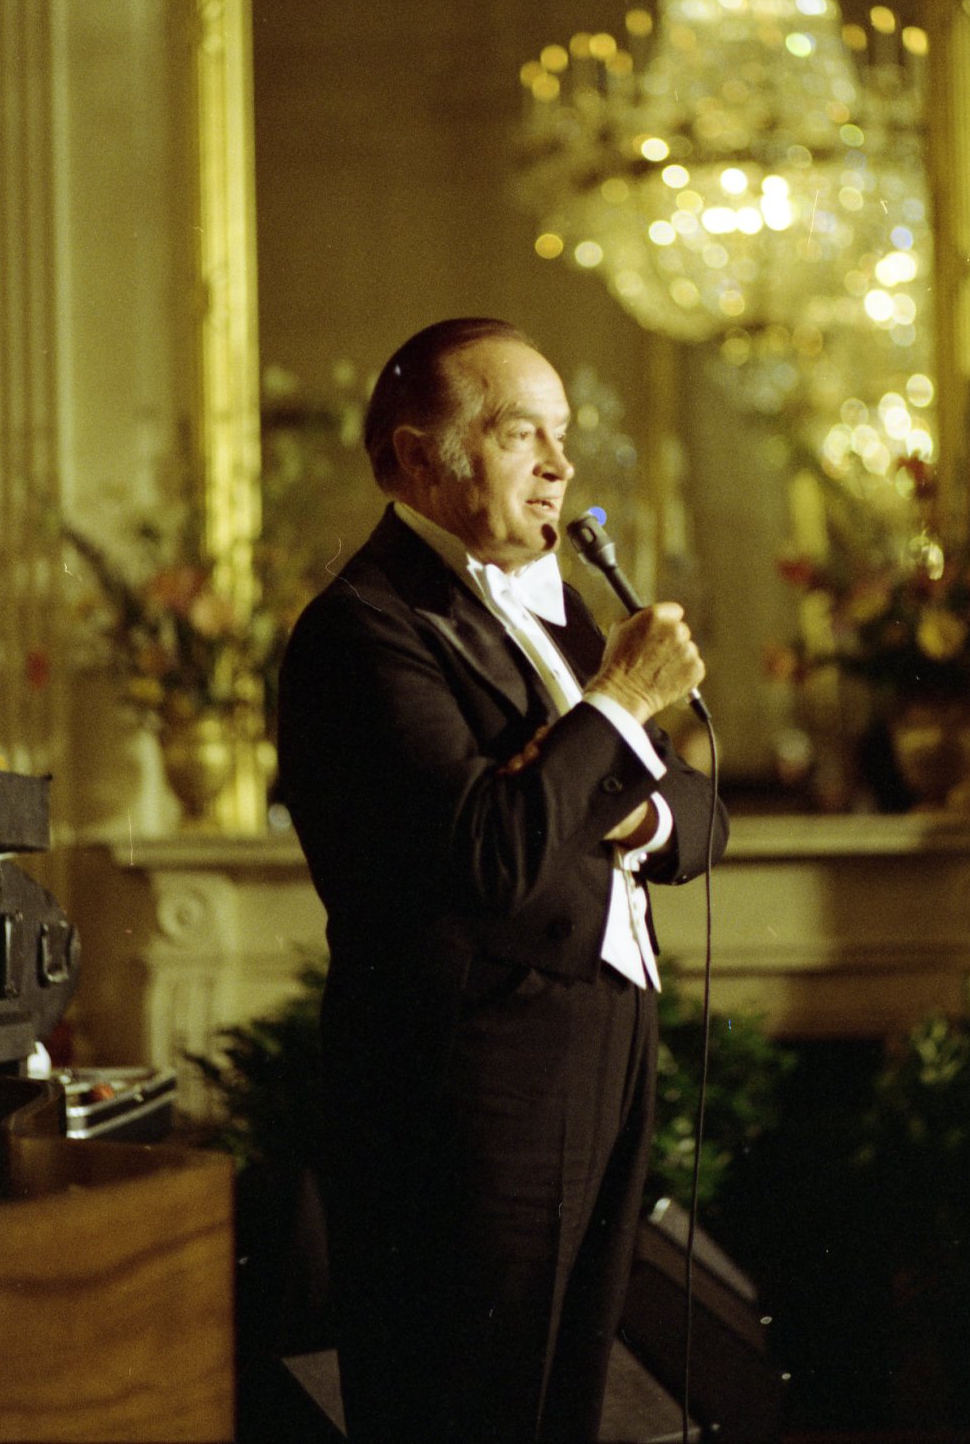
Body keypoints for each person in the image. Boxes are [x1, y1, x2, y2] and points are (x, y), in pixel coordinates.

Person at [277, 316, 728, 1444]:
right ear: (420, 460)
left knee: (561, 1396)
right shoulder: (362, 630)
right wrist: (619, 707)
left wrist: (635, 803)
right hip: (476, 1076)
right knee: (473, 1402)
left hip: (602, 1039)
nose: (563, 467)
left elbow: (704, 820)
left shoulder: (563, 614)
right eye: (524, 433)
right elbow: (488, 855)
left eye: (562, 434)